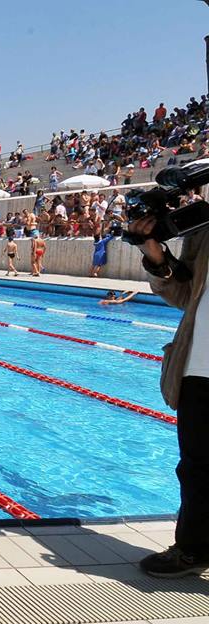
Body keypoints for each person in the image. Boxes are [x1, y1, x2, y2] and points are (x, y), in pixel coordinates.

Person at [126, 215, 209, 578]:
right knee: (195, 469)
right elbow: (183, 294)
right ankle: (193, 550)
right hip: (198, 367)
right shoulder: (204, 232)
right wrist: (154, 252)